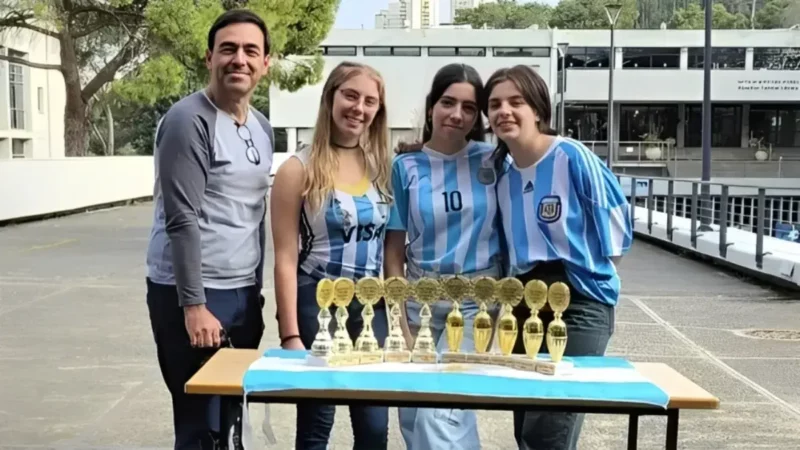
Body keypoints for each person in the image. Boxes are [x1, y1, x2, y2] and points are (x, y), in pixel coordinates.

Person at [485, 64, 633, 450]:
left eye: (516, 102)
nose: (504, 111)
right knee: (525, 423)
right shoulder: (501, 172)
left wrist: (584, 279)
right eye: (495, 103)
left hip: (579, 300)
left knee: (551, 425)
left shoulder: (572, 157)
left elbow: (616, 228)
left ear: (537, 109)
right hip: (524, 301)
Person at [144, 9, 274, 450]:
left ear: (266, 63)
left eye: (250, 51)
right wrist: (194, 305)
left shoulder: (260, 126)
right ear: (209, 58)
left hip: (241, 294)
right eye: (228, 49)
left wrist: (255, 291)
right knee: (199, 425)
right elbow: (181, 218)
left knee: (232, 418)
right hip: (193, 295)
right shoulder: (188, 121)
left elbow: (254, 214)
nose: (239, 59)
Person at [270, 61, 393, 450]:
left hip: (372, 308)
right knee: (316, 425)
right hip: (318, 302)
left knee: (374, 428)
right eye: (351, 96)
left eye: (369, 101)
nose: (359, 108)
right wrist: (290, 334)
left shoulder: (382, 168)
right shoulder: (297, 169)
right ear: (331, 98)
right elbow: (285, 257)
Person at [384, 63, 503, 450]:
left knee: (443, 411)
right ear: (431, 106)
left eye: (469, 108)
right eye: (448, 102)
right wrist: (399, 320)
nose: (457, 114)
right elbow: (394, 252)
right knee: (414, 416)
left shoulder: (495, 161)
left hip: (475, 305)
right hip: (418, 303)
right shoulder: (405, 167)